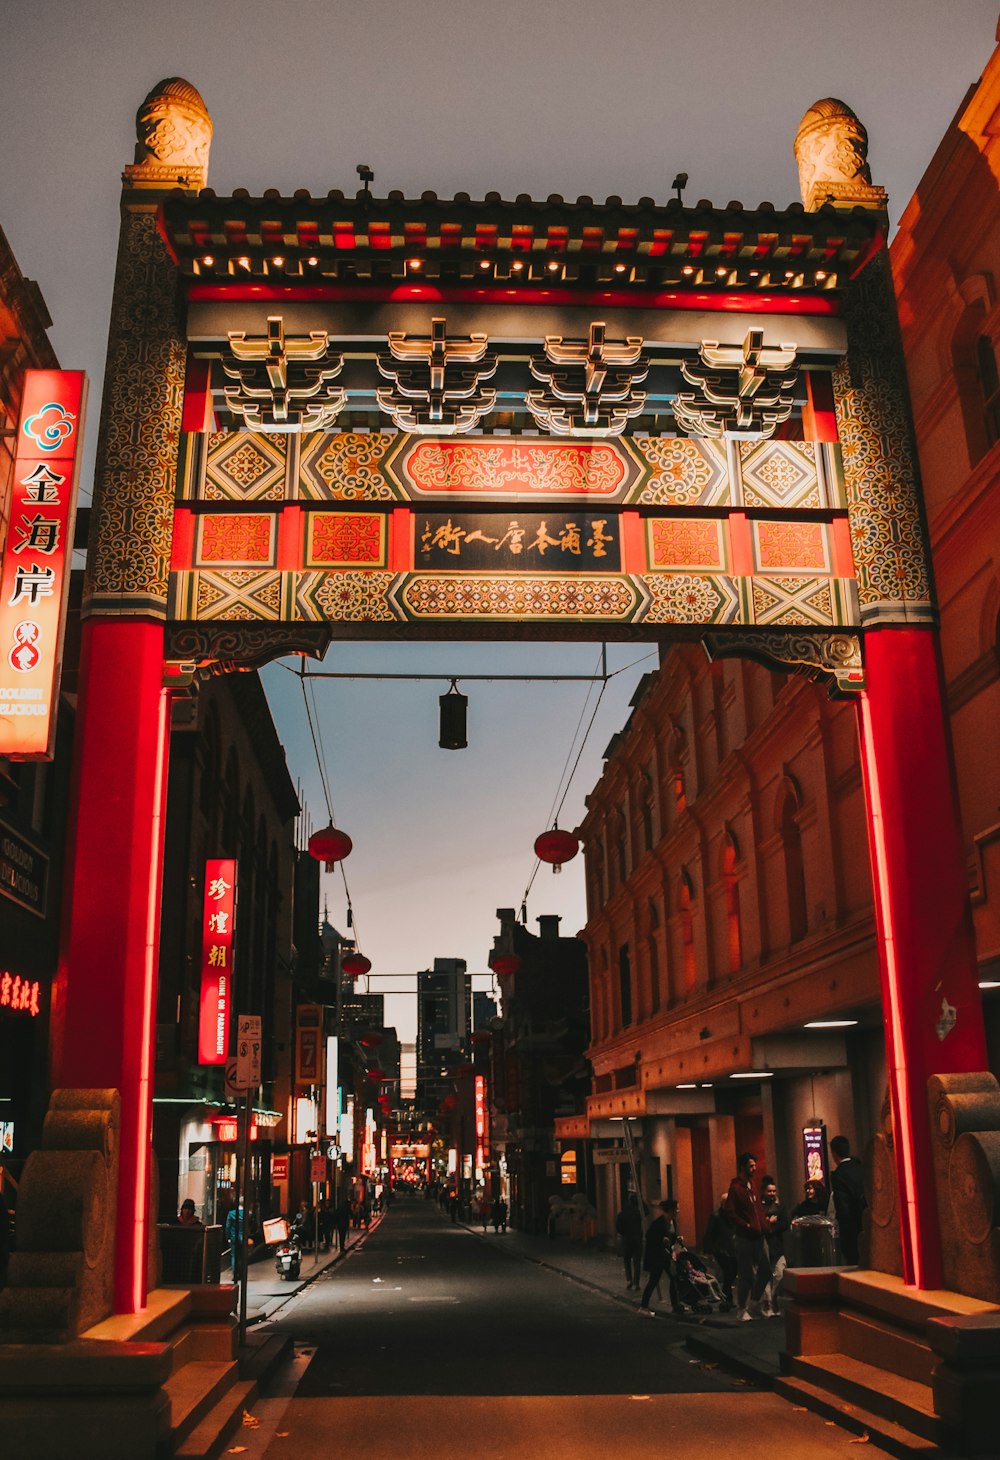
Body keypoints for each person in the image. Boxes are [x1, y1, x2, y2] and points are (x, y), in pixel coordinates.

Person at [724, 1152, 769, 1321]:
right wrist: (746, 1224)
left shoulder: (752, 1185)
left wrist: (764, 1224)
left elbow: (757, 1209)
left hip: (759, 1235)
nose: (754, 1168)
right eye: (751, 1166)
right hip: (745, 1236)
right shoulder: (736, 1188)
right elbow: (729, 1211)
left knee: (766, 1270)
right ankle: (741, 1308)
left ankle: (753, 1302)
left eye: (754, 1165)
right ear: (742, 1167)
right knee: (746, 1274)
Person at [638, 1198, 680, 1316]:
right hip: (657, 1257)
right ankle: (643, 1306)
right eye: (676, 1208)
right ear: (670, 1210)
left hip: (666, 1256)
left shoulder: (672, 1222)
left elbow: (673, 1237)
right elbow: (650, 1236)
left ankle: (675, 1305)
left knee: (674, 1277)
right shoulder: (658, 1223)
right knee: (654, 1280)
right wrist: (661, 1239)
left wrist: (677, 1240)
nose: (678, 1211)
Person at [830, 1135, 867, 1265]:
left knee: (853, 1263)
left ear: (834, 1153)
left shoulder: (839, 1175)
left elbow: (842, 1206)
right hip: (867, 1223)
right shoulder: (860, 1168)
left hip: (851, 1229)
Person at [759, 1175, 790, 1318]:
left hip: (776, 1245)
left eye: (774, 1191)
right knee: (765, 1275)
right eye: (769, 1191)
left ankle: (773, 1299)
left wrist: (771, 1225)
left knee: (779, 1272)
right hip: (763, 1244)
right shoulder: (759, 1206)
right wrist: (769, 1222)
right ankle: (767, 1305)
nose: (772, 1193)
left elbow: (785, 1223)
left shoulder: (780, 1207)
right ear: (764, 1191)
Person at [701, 1193, 737, 1311]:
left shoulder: (733, 1215)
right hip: (721, 1249)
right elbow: (709, 1234)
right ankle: (727, 1298)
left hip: (732, 1249)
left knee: (732, 1273)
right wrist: (709, 1251)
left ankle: (727, 1297)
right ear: (722, 1203)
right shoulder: (716, 1216)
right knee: (728, 1272)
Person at [616, 1194, 643, 1291]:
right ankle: (636, 1283)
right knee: (637, 1262)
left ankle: (629, 1280)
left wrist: (624, 1233)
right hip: (637, 1239)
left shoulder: (623, 1213)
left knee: (627, 1260)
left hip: (627, 1239)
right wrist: (642, 1201)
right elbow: (646, 1212)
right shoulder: (638, 1213)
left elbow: (618, 1228)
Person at [225, 1201, 247, 1280]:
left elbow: (228, 1226)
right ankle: (241, 1274)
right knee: (242, 1256)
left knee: (234, 1256)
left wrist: (227, 1237)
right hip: (243, 1237)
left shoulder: (231, 1213)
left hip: (234, 1237)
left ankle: (235, 1274)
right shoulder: (247, 1213)